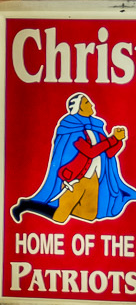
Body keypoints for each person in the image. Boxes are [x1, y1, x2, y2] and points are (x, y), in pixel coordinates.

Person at [11, 93, 133, 224]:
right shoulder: (71, 128)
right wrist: (113, 139)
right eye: (87, 103)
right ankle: (28, 205)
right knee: (60, 217)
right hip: (76, 178)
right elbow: (90, 152)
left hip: (93, 179)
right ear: (79, 108)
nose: (92, 105)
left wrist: (119, 141)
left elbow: (108, 153)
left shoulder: (96, 128)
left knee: (89, 216)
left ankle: (63, 207)